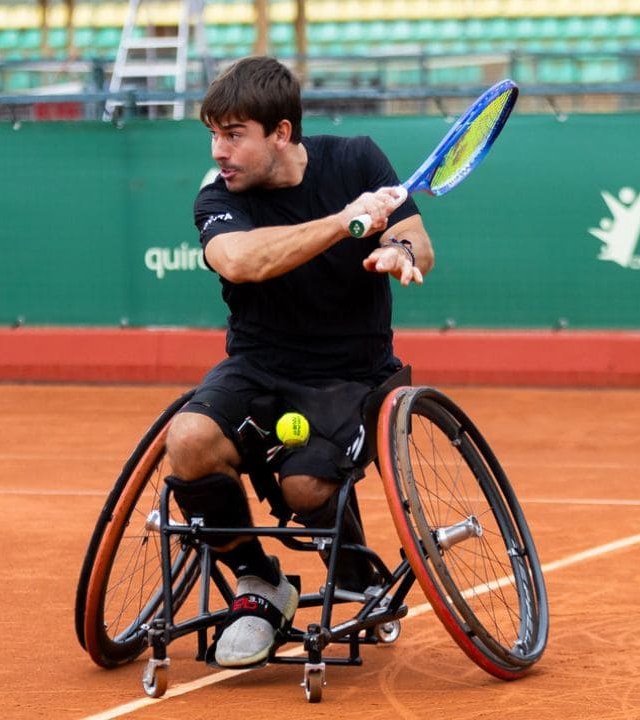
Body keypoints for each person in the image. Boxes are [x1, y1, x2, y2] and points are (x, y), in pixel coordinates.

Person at [164, 56, 434, 669]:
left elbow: (418, 240)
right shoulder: (217, 195)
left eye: (233, 135)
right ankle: (260, 584)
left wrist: (396, 249)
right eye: (213, 134)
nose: (218, 151)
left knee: (305, 485)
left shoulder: (357, 159)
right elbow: (241, 262)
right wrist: (346, 222)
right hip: (256, 368)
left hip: (352, 372)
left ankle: (356, 564)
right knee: (187, 440)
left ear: (281, 133)